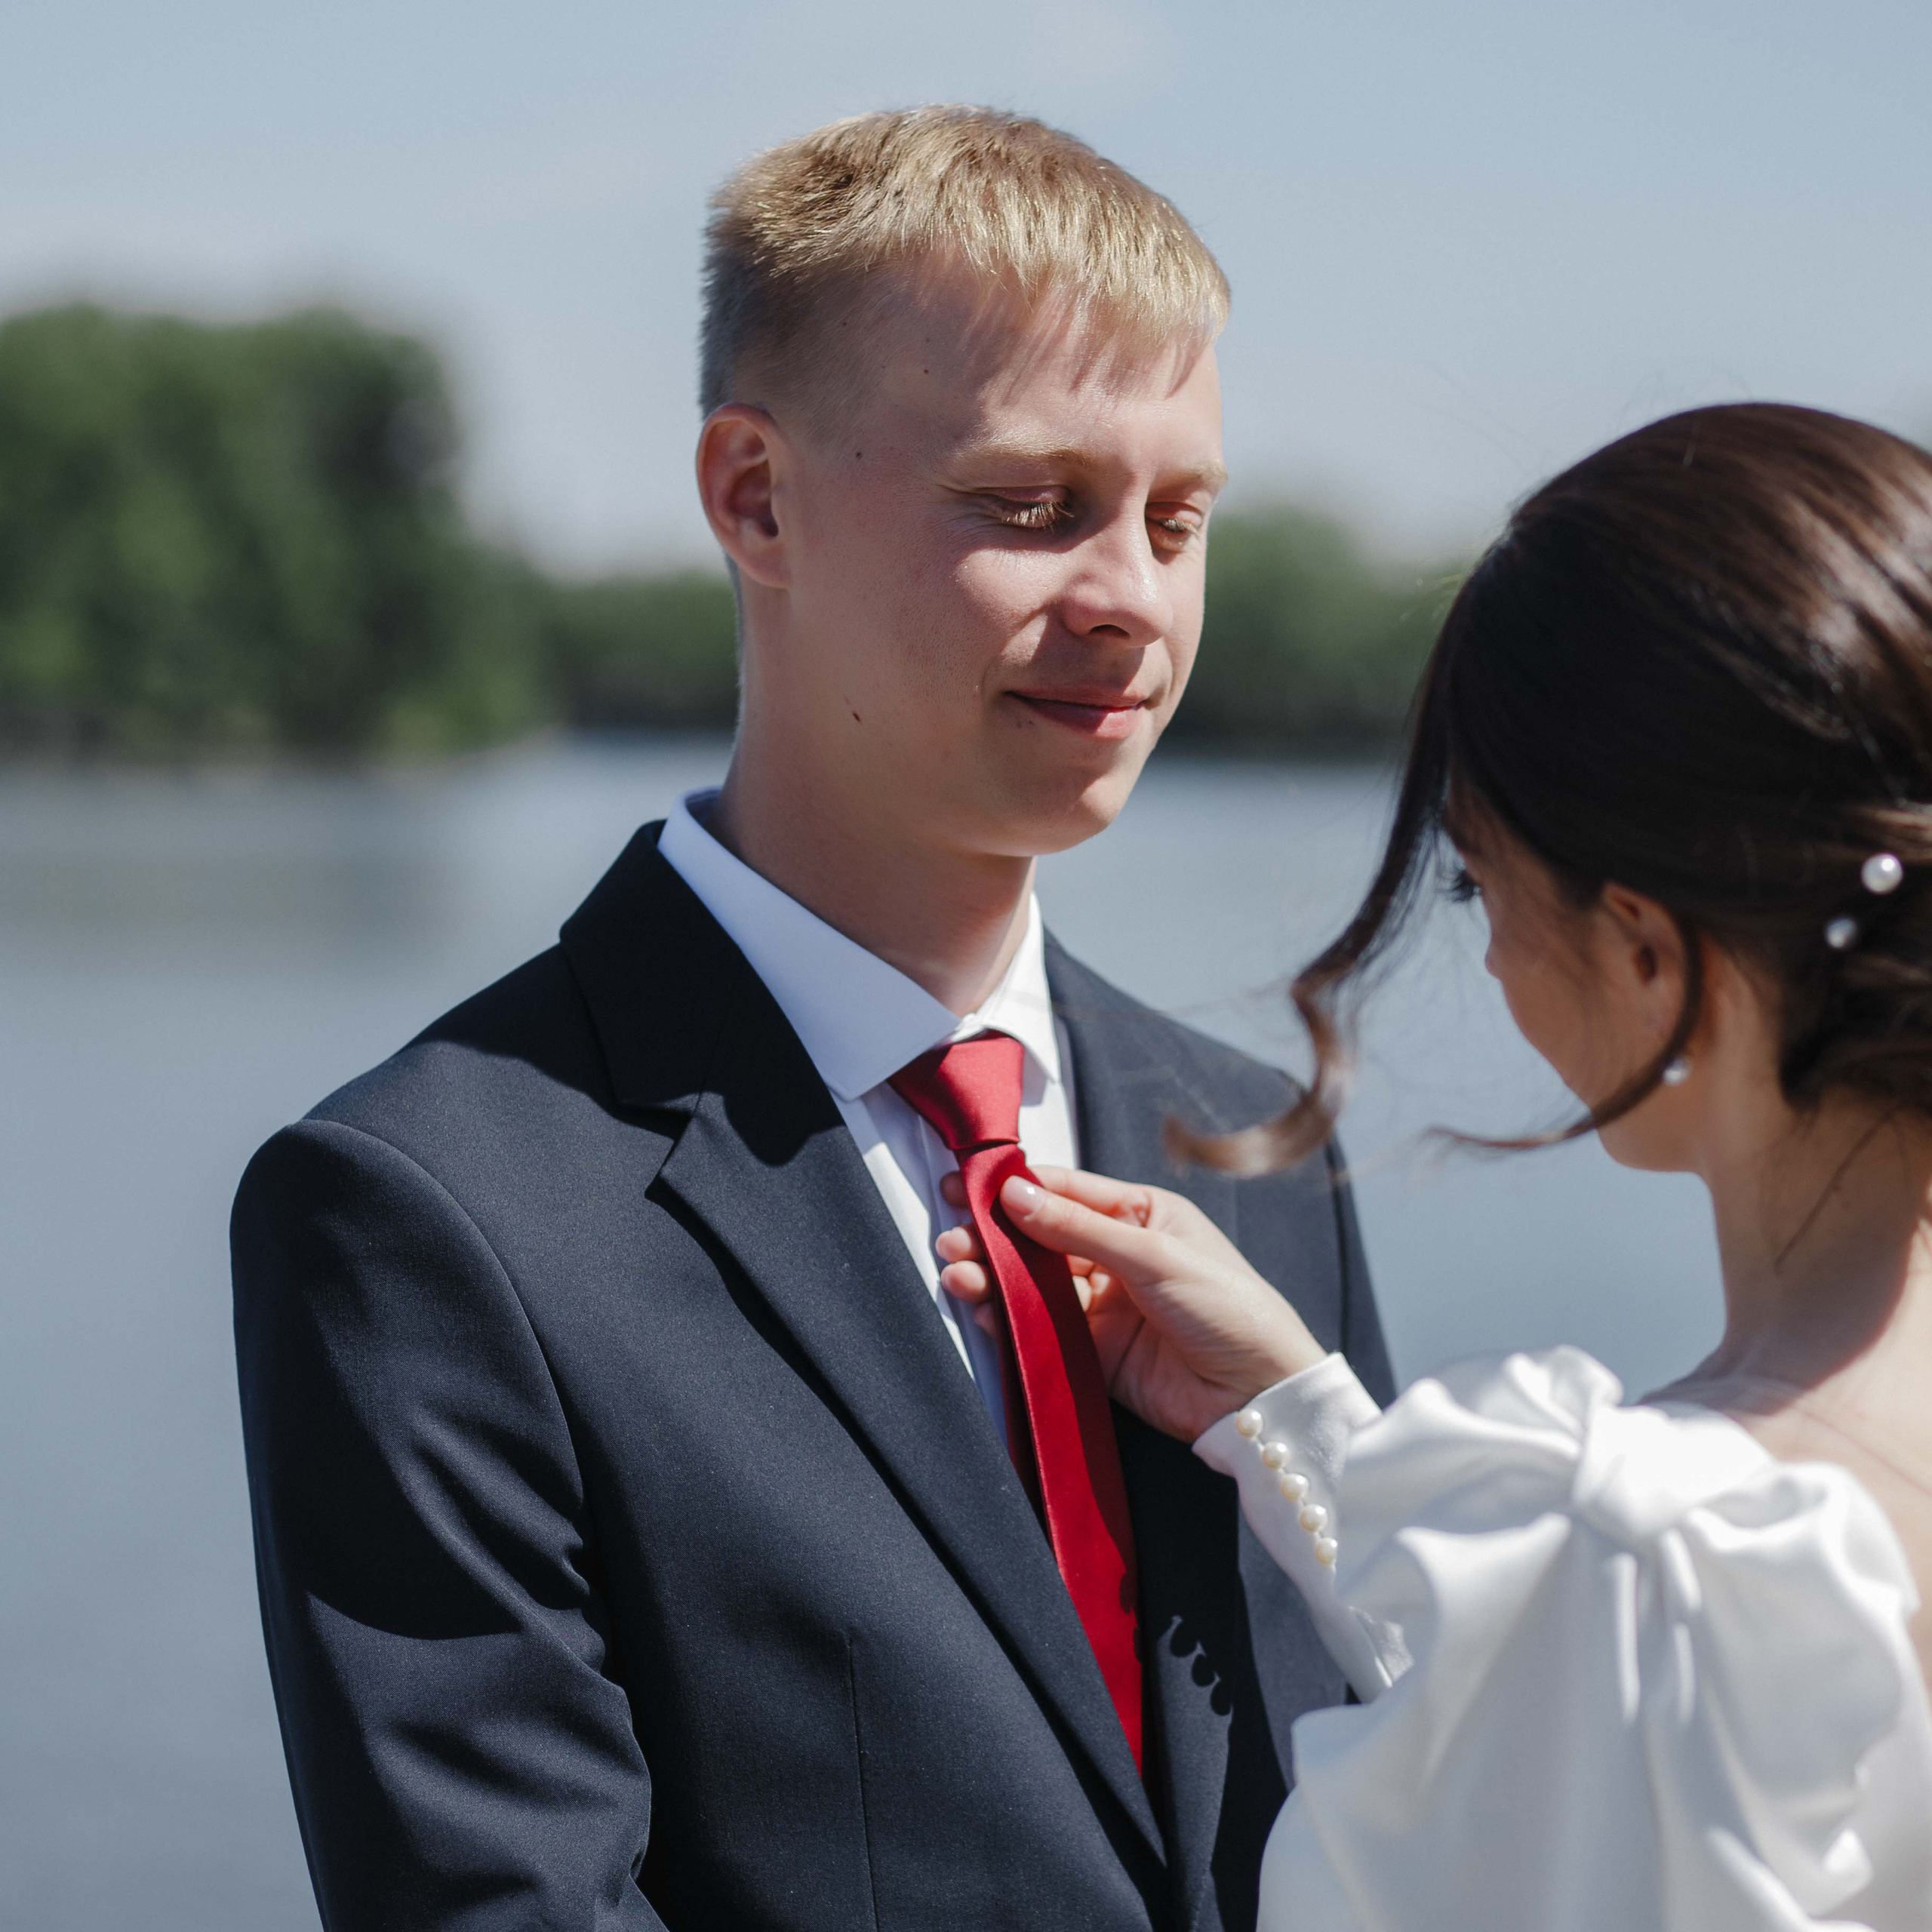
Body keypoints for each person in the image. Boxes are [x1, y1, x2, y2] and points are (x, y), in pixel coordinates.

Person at [229, 107, 1393, 1932]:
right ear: (753, 496)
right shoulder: (428, 1208)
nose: (1133, 603)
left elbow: (1412, 1813)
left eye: (1177, 519)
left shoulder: (1252, 1146)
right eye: (1032, 505)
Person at [940, 403, 1932, 1928]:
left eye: (1477, 881)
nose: (1479, 949)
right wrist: (1298, 1426)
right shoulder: (1675, 1561)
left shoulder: (1645, 1557)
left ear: (1644, 950)